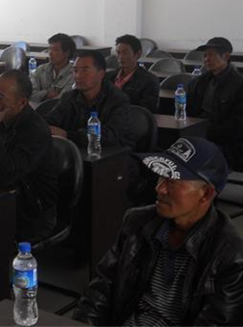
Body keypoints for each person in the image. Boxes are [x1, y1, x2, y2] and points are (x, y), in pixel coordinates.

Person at [73, 137, 243, 326]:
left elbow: (215, 322)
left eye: (172, 181)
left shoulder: (230, 255)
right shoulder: (137, 222)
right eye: (161, 177)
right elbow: (101, 289)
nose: (159, 188)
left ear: (206, 193)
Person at [0, 70, 57, 241]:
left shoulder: (35, 131)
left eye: (0, 97)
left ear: (22, 102)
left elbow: (5, 176)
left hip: (31, 208)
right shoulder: (0, 121)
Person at [44, 50, 133, 149]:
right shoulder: (70, 97)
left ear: (101, 74)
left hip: (109, 153)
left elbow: (110, 136)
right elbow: (49, 120)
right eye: (75, 71)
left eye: (85, 70)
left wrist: (68, 135)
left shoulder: (118, 99)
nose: (78, 76)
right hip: (76, 150)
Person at [187, 37, 243, 171]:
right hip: (197, 133)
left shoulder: (239, 84)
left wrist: (204, 132)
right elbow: (188, 111)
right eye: (205, 55)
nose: (206, 59)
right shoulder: (198, 82)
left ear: (226, 56)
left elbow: (237, 125)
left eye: (211, 55)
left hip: (225, 143)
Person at [106, 34, 159, 113]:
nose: (120, 57)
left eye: (125, 53)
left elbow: (146, 111)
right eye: (118, 53)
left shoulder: (149, 81)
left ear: (138, 54)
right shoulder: (108, 77)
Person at [30, 33, 76, 103]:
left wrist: (40, 95)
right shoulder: (41, 69)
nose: (50, 53)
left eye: (55, 50)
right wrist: (46, 93)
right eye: (49, 49)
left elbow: (62, 100)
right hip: (38, 108)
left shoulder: (74, 74)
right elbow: (30, 94)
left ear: (67, 53)